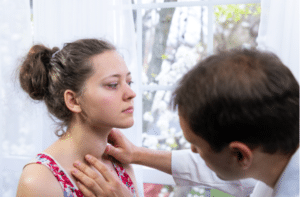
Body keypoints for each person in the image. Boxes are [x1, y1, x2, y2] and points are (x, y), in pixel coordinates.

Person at [71, 48, 299, 197]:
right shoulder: (273, 158)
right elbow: (216, 168)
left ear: (240, 154)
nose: (193, 151)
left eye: (197, 146)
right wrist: (137, 155)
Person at [16, 38, 139, 197]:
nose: (131, 93)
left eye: (129, 82)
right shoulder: (39, 180)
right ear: (73, 100)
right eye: (113, 84)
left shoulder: (120, 165)